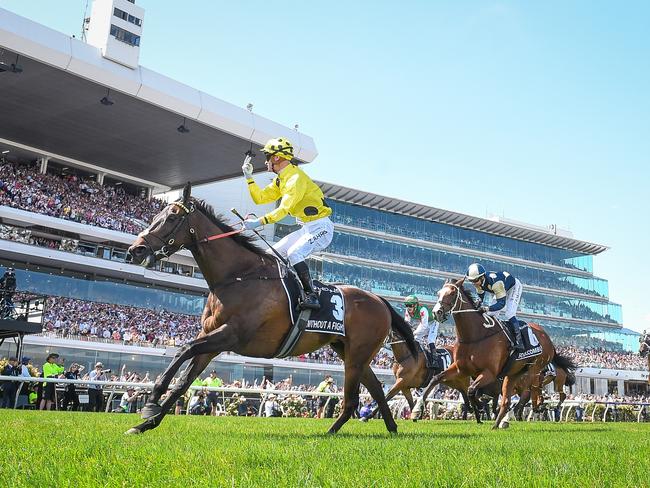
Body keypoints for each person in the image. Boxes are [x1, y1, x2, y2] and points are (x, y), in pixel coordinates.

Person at [241, 137, 333, 309]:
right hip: (307, 228)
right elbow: (260, 198)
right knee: (270, 254)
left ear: (276, 158)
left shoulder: (295, 179)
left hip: (322, 227)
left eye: (267, 156)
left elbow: (283, 210)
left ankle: (312, 296)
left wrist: (258, 222)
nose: (265, 161)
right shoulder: (281, 178)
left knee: (294, 254)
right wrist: (249, 178)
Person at [465, 263, 524, 352]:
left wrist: (486, 308)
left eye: (475, 280)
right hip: (501, 290)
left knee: (509, 314)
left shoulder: (495, 283)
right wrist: (478, 304)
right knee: (490, 314)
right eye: (471, 281)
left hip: (513, 288)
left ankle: (519, 342)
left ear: (482, 277)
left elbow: (501, 304)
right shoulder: (478, 283)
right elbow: (480, 297)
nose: (473, 283)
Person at [403, 295, 439, 362]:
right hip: (424, 322)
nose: (408, 307)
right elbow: (407, 322)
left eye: (410, 305)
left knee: (430, 340)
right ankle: (418, 355)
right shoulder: (407, 310)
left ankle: (435, 359)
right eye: (406, 305)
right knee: (416, 338)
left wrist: (413, 332)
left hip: (433, 322)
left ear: (416, 305)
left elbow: (424, 326)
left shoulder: (422, 310)